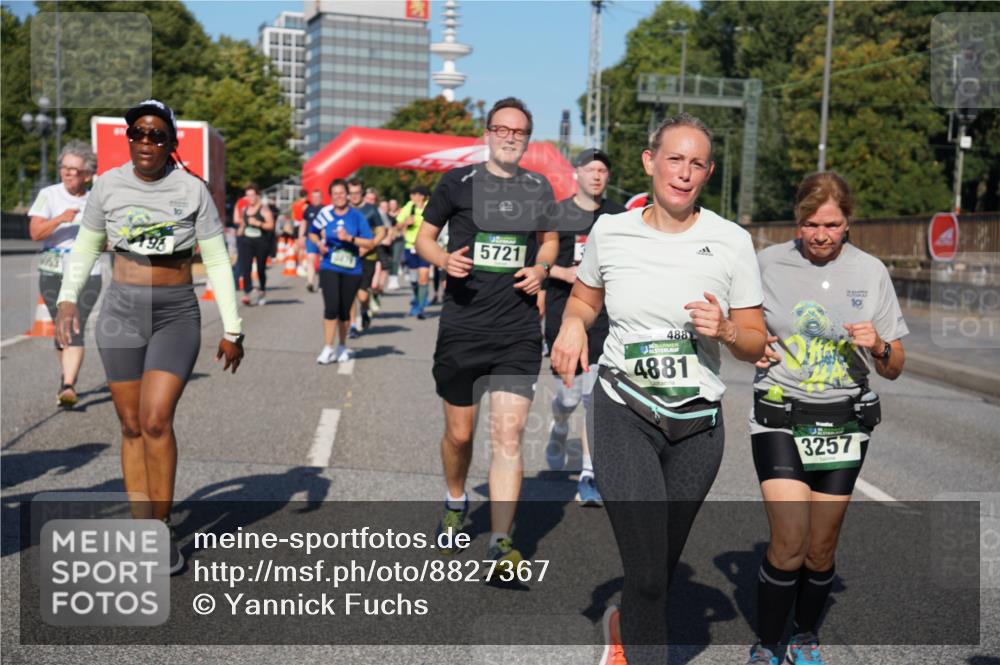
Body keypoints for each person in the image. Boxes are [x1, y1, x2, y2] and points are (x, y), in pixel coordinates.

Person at [550, 112, 766, 665]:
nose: (684, 172)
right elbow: (584, 299)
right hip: (625, 408)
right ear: (650, 162)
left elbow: (753, 340)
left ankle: (626, 620)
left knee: (660, 567)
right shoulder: (611, 232)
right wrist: (573, 324)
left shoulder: (731, 241)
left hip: (698, 425)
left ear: (708, 172)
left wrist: (726, 330)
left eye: (697, 163)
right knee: (647, 574)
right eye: (674, 159)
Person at [54, 99, 244, 574]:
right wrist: (67, 299)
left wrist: (233, 326)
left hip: (175, 313)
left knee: (156, 419)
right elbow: (85, 247)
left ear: (171, 143)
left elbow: (217, 260)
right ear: (129, 137)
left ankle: (161, 529)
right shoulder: (108, 186)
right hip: (121, 312)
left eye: (157, 135)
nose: (146, 141)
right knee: (130, 425)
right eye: (138, 132)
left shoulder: (192, 190)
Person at [744, 172, 908, 665]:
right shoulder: (767, 263)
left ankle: (805, 637)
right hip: (780, 414)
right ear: (797, 220)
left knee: (820, 547)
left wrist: (878, 345)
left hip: (845, 421)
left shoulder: (871, 272)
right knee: (789, 540)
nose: (820, 235)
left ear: (848, 222)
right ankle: (768, 645)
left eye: (832, 225)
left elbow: (895, 366)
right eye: (810, 224)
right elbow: (742, 336)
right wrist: (748, 346)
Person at [415, 97, 558, 565]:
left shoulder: (538, 188)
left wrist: (540, 267)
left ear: (527, 139)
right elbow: (424, 238)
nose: (510, 137)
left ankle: (501, 541)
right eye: (502, 129)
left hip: (517, 329)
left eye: (518, 131)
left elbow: (550, 239)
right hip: (464, 325)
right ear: (488, 133)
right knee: (460, 435)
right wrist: (443, 259)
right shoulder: (457, 183)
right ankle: (456, 499)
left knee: (508, 437)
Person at [543, 148, 625, 506]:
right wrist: (564, 273)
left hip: (604, 320)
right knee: (570, 396)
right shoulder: (558, 213)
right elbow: (539, 262)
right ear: (575, 173)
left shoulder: (618, 217)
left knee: (594, 398)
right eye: (591, 169)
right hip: (565, 316)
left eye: (603, 171)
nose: (597, 175)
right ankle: (560, 426)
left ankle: (589, 475)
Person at [28, 140, 102, 407]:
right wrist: (61, 219)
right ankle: (66, 378)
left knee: (75, 326)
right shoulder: (49, 194)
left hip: (88, 272)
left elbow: (108, 239)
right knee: (62, 328)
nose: (69, 173)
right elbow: (36, 233)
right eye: (65, 168)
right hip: (52, 270)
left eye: (75, 170)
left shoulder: (96, 198)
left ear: (88, 175)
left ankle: (69, 384)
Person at [309, 179, 376, 364]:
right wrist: (319, 244)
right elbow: (312, 231)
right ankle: (328, 347)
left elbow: (369, 242)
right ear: (331, 197)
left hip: (352, 269)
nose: (339, 196)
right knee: (331, 308)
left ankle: (342, 346)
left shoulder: (357, 217)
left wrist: (350, 238)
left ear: (347, 195)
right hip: (329, 265)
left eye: (341, 193)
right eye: (335, 194)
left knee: (344, 311)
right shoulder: (326, 214)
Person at [347, 179, 386, 336]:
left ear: (362, 193)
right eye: (351, 193)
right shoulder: (345, 209)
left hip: (368, 256)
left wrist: (370, 245)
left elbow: (382, 231)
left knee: (362, 295)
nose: (354, 196)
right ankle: (353, 326)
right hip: (349, 256)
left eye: (357, 193)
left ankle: (365, 310)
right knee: (350, 293)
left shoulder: (371, 210)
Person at [235, 183, 275, 306]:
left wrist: (258, 223)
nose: (250, 198)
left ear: (257, 196)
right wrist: (239, 231)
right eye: (248, 196)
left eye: (252, 195)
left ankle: (262, 291)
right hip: (247, 242)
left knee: (260, 269)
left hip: (261, 242)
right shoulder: (245, 209)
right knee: (246, 268)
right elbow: (243, 223)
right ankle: (247, 293)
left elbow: (271, 225)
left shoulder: (264, 209)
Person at [396, 185, 432, 318]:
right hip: (410, 246)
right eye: (411, 195)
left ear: (421, 196)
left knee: (424, 277)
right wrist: (405, 222)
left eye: (414, 195)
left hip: (426, 247)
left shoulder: (430, 206)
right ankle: (417, 300)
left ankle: (421, 308)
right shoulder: (409, 206)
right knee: (413, 279)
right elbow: (398, 225)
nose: (412, 197)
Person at [299, 189, 323, 292]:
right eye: (314, 197)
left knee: (322, 261)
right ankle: (310, 282)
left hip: (322, 239)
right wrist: (301, 236)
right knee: (310, 259)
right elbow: (304, 222)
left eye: (318, 197)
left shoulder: (325, 209)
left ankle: (322, 283)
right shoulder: (308, 209)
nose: (316, 199)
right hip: (310, 238)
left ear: (321, 198)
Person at [387, 197, 404, 290]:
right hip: (388, 239)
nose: (393, 206)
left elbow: (403, 225)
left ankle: (394, 279)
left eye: (394, 204)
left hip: (398, 239)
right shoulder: (386, 214)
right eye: (391, 204)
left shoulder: (401, 213)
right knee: (389, 259)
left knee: (396, 259)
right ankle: (390, 278)